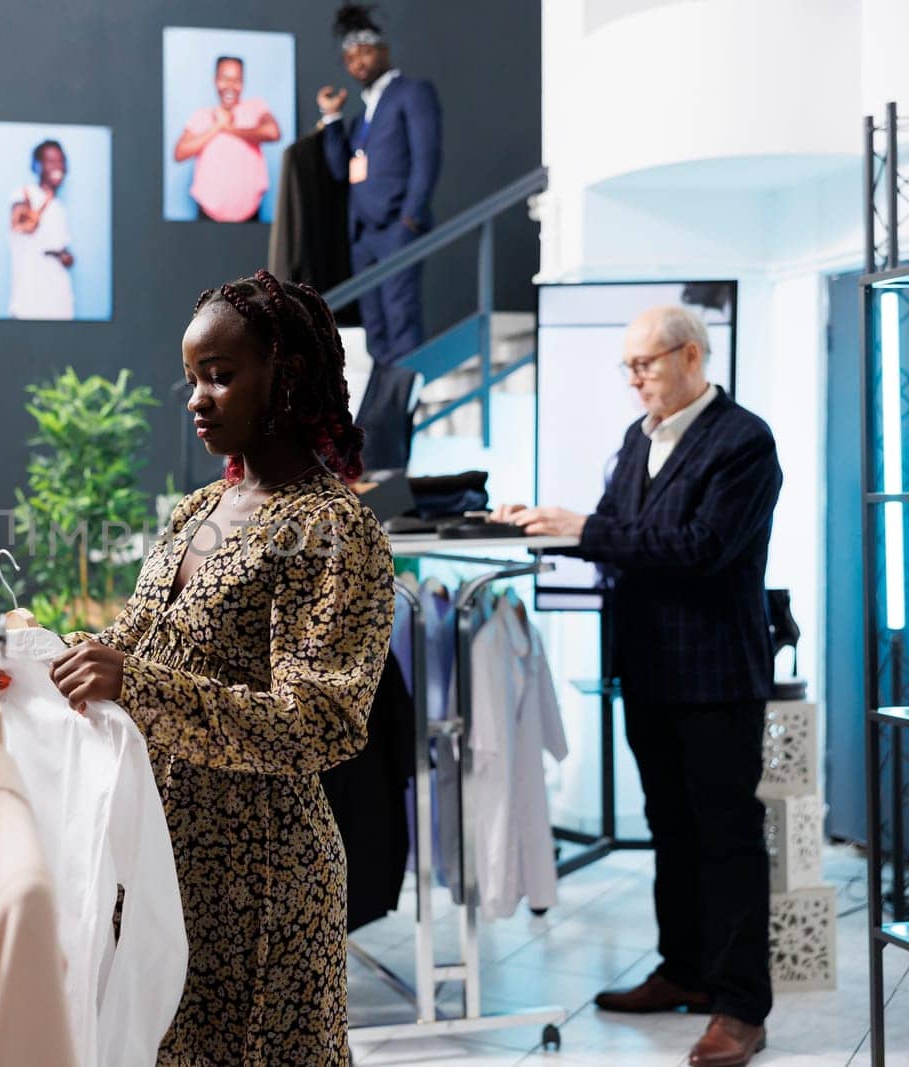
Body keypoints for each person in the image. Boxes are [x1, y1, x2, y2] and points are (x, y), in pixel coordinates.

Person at [0, 269, 393, 1065]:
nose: (197, 397)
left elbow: (322, 722)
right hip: (158, 858)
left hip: (263, 884)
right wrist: (25, 665)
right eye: (194, 377)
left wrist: (136, 683)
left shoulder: (336, 529)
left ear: (288, 376)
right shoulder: (194, 510)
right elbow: (129, 651)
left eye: (222, 376)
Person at [492, 306, 781, 1067]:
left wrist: (582, 527)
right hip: (649, 668)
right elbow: (625, 532)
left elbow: (703, 548)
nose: (633, 379)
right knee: (671, 829)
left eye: (644, 364)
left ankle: (741, 1006)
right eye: (627, 367)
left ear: (690, 356)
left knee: (726, 838)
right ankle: (683, 971)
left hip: (716, 673)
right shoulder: (637, 438)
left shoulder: (744, 440)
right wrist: (545, 527)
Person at [317, 3, 440, 367]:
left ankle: (404, 401)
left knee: (400, 314)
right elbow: (341, 169)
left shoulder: (412, 92)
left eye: (366, 53)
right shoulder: (363, 114)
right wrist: (333, 117)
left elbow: (426, 156)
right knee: (376, 323)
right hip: (364, 233)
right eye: (350, 58)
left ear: (383, 51)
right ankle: (385, 404)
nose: (358, 63)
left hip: (397, 226)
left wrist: (411, 217)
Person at [174, 56, 281, 223]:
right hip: (207, 215)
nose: (230, 86)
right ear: (216, 80)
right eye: (225, 79)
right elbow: (180, 152)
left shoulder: (256, 107)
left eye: (237, 80)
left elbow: (273, 132)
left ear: (243, 83)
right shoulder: (202, 115)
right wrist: (217, 126)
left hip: (250, 215)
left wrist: (229, 128)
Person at [8, 139, 75, 320]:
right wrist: (43, 202)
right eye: (51, 161)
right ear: (37, 166)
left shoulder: (59, 207)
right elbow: (23, 225)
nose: (58, 167)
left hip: (58, 293)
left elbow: (59, 248)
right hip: (30, 293)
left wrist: (65, 257)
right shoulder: (24, 194)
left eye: (61, 161)